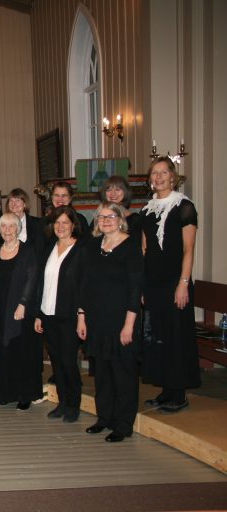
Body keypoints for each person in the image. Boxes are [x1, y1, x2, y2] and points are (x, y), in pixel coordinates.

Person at [78, 202, 143, 442]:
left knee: (123, 374)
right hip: (96, 320)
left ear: (120, 219)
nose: (105, 220)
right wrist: (81, 317)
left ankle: (124, 424)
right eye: (101, 217)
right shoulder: (93, 246)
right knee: (102, 373)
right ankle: (104, 417)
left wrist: (129, 325)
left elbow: (136, 289)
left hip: (121, 320)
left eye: (111, 216)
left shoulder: (130, 246)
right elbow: (84, 285)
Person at [140, 156, 199, 413]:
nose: (159, 177)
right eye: (154, 173)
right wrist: (142, 286)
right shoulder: (146, 210)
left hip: (175, 282)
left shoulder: (184, 207)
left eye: (164, 172)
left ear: (172, 177)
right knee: (158, 338)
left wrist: (183, 283)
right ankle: (165, 390)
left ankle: (179, 393)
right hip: (152, 283)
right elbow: (144, 249)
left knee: (176, 337)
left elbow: (189, 249)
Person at [0, 213, 40, 410]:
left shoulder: (27, 251)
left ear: (18, 228)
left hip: (18, 311)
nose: (7, 230)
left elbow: (32, 279)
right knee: (0, 352)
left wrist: (23, 304)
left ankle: (24, 394)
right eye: (3, 226)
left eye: (11, 226)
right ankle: (3, 392)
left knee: (20, 352)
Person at [34, 206, 83, 423]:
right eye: (57, 223)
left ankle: (73, 404)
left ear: (73, 224)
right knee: (56, 361)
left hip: (70, 315)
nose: (61, 227)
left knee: (69, 361)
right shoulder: (49, 248)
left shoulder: (82, 249)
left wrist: (82, 314)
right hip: (48, 312)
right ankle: (62, 402)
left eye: (65, 222)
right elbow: (40, 284)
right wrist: (38, 314)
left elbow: (84, 286)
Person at [5, 188, 44, 255]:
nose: (13, 204)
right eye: (11, 201)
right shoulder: (3, 224)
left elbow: (40, 249)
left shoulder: (37, 223)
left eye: (17, 200)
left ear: (25, 204)